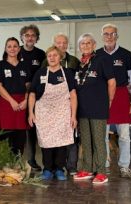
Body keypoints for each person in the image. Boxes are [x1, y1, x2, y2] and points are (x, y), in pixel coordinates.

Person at [28, 46, 77, 181]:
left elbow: (73, 95)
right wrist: (30, 113)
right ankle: (48, 169)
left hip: (62, 111)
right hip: (43, 111)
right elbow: (32, 94)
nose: (52, 58)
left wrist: (73, 115)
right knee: (46, 141)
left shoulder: (67, 73)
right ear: (47, 58)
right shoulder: (41, 73)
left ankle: (59, 169)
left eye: (55, 55)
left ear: (60, 57)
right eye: (49, 56)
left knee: (61, 141)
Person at [73, 33, 116, 184]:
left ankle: (101, 172)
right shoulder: (80, 64)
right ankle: (87, 168)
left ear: (94, 45)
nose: (85, 45)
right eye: (82, 43)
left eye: (88, 43)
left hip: (98, 108)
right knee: (85, 141)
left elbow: (111, 82)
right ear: (79, 47)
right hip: (83, 109)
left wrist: (109, 100)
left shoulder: (102, 60)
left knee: (99, 141)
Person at [96, 23, 131, 178]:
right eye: (106, 34)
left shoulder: (126, 54)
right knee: (103, 135)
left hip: (122, 97)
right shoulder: (96, 54)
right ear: (102, 36)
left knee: (124, 135)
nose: (109, 36)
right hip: (102, 97)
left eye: (112, 34)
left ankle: (124, 166)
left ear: (117, 36)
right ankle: (104, 166)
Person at [42, 33, 80, 175]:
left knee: (69, 136)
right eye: (59, 42)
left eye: (64, 43)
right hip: (49, 109)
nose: (62, 45)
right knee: (50, 138)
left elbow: (76, 84)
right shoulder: (46, 63)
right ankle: (51, 167)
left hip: (68, 105)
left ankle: (70, 166)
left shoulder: (74, 61)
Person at [0, 37, 31, 155]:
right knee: (5, 136)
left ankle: (17, 165)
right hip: (6, 103)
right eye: (9, 46)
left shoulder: (24, 66)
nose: (12, 49)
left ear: (19, 49)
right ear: (5, 49)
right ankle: (6, 165)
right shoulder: (0, 65)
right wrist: (12, 101)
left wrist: (26, 100)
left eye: (15, 46)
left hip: (22, 104)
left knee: (20, 137)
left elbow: (29, 85)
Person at [19, 24, 46, 171]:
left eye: (33, 35)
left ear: (36, 38)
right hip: (18, 95)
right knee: (17, 129)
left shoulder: (41, 54)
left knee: (32, 129)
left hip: (36, 96)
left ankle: (31, 160)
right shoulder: (16, 52)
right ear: (22, 37)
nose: (30, 38)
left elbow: (44, 75)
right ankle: (16, 159)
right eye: (27, 35)